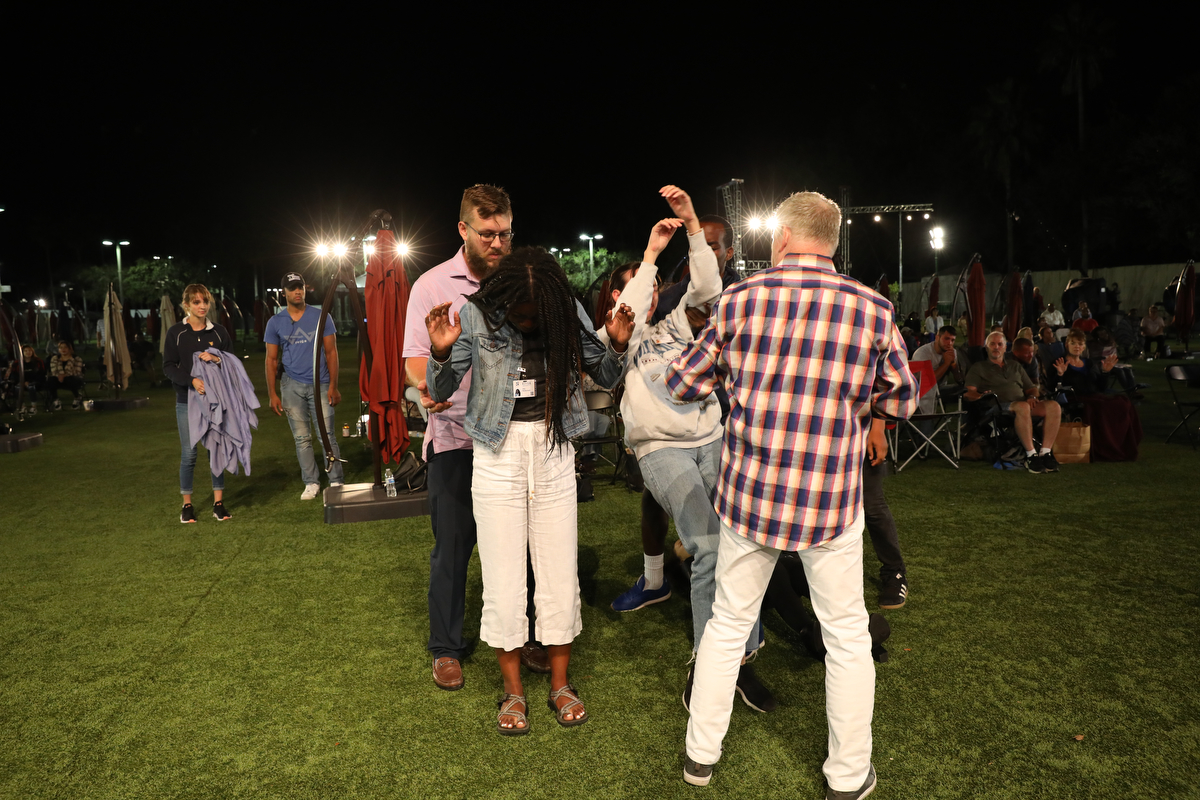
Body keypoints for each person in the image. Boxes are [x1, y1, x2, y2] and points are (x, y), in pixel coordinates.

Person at [667, 191, 917, 796]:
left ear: (780, 236)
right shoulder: (873, 307)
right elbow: (903, 398)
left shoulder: (739, 300)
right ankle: (847, 776)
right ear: (833, 241)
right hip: (830, 500)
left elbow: (681, 384)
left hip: (751, 496)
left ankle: (700, 757)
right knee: (847, 636)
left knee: (728, 623)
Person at [425, 246, 633, 734]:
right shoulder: (476, 314)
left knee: (559, 572)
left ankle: (560, 684)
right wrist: (441, 352)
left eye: (534, 316)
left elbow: (605, 373)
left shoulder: (564, 308)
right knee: (503, 576)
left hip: (553, 448)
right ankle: (513, 690)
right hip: (496, 454)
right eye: (518, 315)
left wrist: (619, 345)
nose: (526, 322)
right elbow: (441, 388)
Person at [607, 186, 775, 712]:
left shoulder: (678, 319)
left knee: (740, 545)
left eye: (653, 282)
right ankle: (710, 670)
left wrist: (693, 228)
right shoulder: (620, 336)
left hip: (712, 439)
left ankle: (737, 660)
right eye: (641, 285)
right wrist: (650, 255)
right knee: (708, 546)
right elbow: (630, 309)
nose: (649, 290)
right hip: (660, 448)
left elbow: (706, 285)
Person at [403, 184, 546, 693]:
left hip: (517, 436)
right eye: (487, 233)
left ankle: (529, 635)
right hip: (457, 436)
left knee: (526, 544)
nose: (498, 242)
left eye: (505, 233)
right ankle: (446, 647)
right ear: (462, 229)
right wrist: (426, 388)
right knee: (454, 545)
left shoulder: (524, 278)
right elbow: (415, 360)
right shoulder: (432, 285)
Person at [264, 272, 344, 500]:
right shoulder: (275, 322)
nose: (297, 291)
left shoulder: (321, 316)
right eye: (292, 288)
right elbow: (271, 360)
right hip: (291, 385)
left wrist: (333, 385)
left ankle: (336, 479)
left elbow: (331, 352)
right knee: (302, 438)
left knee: (327, 434)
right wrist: (272, 393)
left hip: (321, 383)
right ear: (284, 292)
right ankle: (311, 482)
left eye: (300, 287)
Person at [162, 284, 234, 522]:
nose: (202, 306)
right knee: (189, 454)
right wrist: (191, 381)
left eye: (205, 301)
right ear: (186, 305)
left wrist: (216, 358)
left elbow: (233, 363)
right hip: (186, 401)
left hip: (215, 402)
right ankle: (187, 505)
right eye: (196, 302)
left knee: (215, 450)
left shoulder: (219, 332)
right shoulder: (176, 333)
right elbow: (168, 366)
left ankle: (218, 503)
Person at [965, 331, 1062, 474]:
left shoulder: (1015, 366)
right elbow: (968, 392)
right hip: (996, 408)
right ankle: (1031, 456)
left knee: (1054, 406)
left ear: (1005, 348)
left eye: (1000, 344)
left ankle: (1045, 453)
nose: (996, 347)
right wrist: (980, 396)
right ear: (986, 347)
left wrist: (1032, 397)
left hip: (1022, 405)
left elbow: (1031, 388)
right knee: (1022, 406)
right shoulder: (978, 368)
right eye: (992, 344)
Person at [1052, 329, 1143, 460]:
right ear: (1067, 345)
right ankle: (1105, 447)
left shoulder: (1088, 363)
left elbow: (1101, 387)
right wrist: (1060, 375)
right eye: (1073, 343)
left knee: (1124, 402)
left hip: (1094, 395)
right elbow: (1053, 388)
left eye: (1080, 343)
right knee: (1102, 407)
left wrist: (1105, 372)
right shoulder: (1059, 362)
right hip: (1075, 397)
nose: (1077, 346)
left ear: (1084, 346)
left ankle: (1122, 444)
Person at [911, 325, 966, 414]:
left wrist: (954, 365)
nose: (949, 343)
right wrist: (946, 363)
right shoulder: (923, 353)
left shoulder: (952, 352)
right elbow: (928, 381)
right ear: (937, 338)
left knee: (967, 390)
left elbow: (960, 380)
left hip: (940, 389)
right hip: (920, 390)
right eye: (946, 339)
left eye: (952, 340)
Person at [3, 344, 46, 414]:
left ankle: (34, 407)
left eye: (29, 350)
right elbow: (14, 375)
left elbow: (41, 374)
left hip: (36, 382)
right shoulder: (17, 363)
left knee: (31, 386)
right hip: (21, 382)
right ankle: (22, 406)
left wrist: (30, 381)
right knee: (17, 388)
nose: (28, 352)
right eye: (25, 351)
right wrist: (22, 382)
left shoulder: (38, 361)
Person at [45, 341, 85, 410]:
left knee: (71, 379)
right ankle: (55, 400)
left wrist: (64, 375)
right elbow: (53, 370)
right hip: (58, 379)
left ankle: (77, 397)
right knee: (51, 380)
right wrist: (59, 376)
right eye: (61, 348)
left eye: (65, 347)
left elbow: (77, 372)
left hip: (73, 379)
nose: (63, 349)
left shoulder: (77, 359)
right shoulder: (55, 358)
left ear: (70, 348)